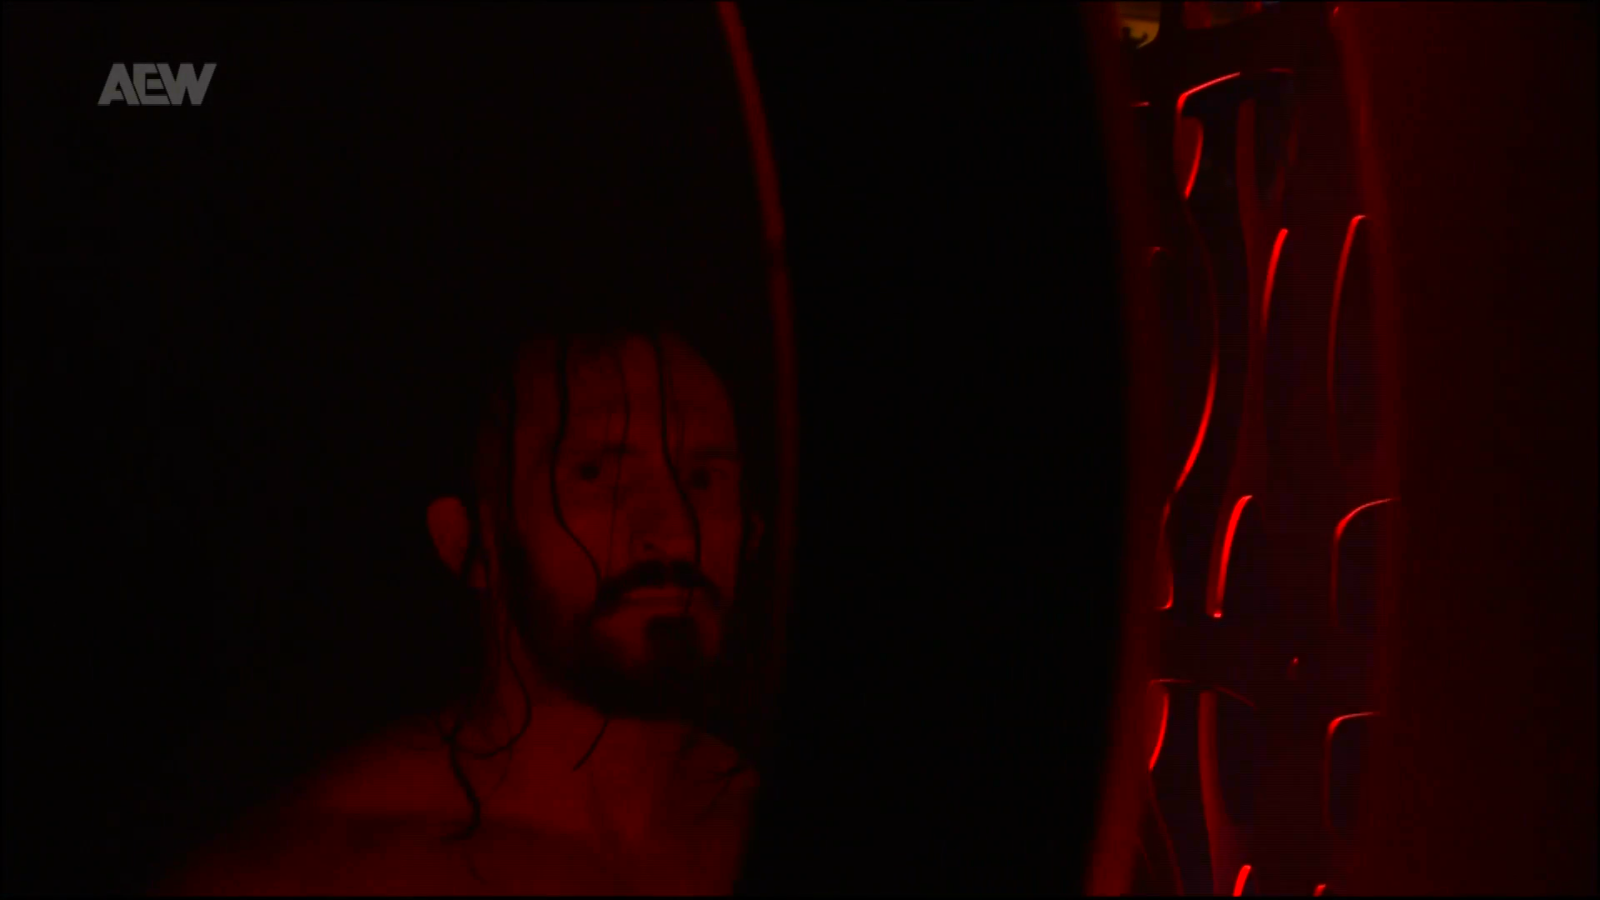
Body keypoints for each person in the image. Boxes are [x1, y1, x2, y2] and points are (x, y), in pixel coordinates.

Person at [168, 330, 769, 895]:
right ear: (469, 544)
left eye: (703, 478)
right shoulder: (315, 867)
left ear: (752, 533)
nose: (674, 531)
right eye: (594, 474)